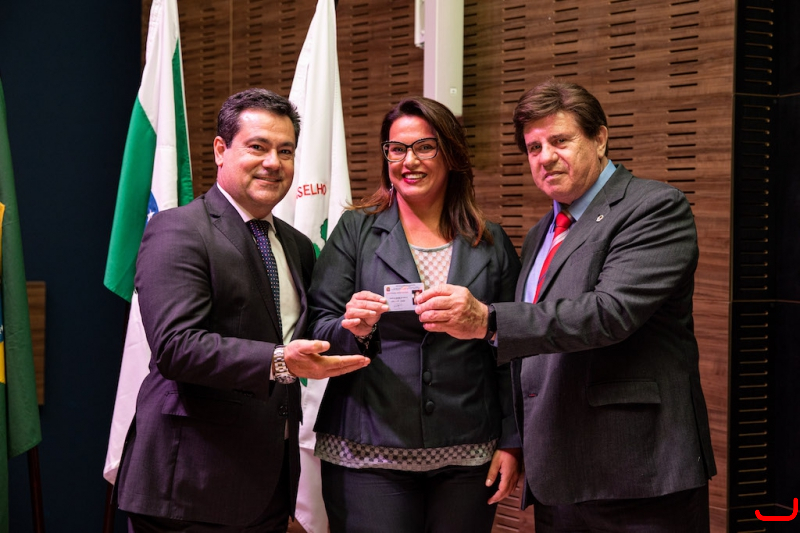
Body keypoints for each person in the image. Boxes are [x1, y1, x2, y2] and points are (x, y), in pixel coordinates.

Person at [414, 80, 717, 532]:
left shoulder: (654, 207)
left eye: (560, 140)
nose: (545, 157)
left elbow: (609, 313)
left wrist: (489, 319)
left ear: (600, 138)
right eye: (533, 147)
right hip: (560, 473)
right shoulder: (542, 231)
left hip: (639, 473)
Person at [115, 88, 370, 532]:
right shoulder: (178, 229)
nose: (274, 162)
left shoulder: (296, 245)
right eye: (258, 146)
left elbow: (302, 338)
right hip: (188, 484)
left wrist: (355, 327)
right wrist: (278, 361)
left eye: (285, 151)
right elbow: (176, 347)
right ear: (221, 150)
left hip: (268, 482)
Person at [307, 96, 522, 533]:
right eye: (397, 149)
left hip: (468, 452)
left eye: (425, 147)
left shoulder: (491, 241)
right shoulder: (356, 230)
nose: (409, 161)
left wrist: (513, 440)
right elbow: (318, 327)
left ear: (451, 153)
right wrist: (353, 328)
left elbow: (513, 349)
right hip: (367, 448)